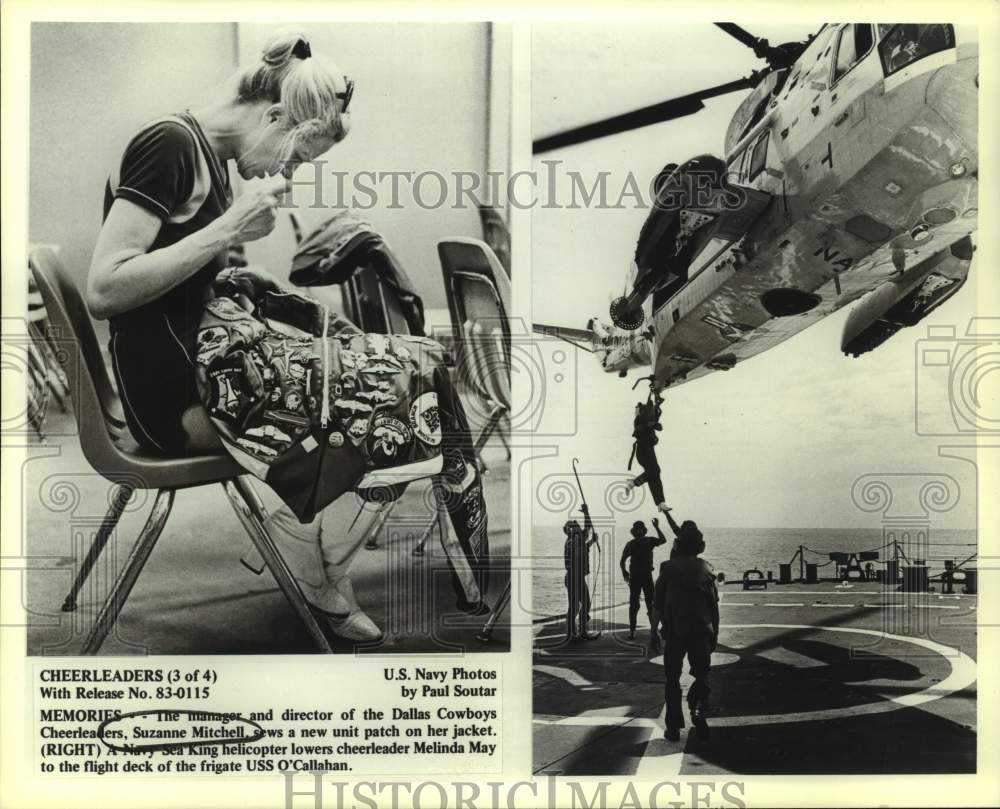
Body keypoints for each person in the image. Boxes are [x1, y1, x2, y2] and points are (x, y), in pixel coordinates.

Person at [86, 28, 489, 643]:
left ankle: (307, 548)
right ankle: (312, 560)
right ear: (274, 116)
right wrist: (226, 232)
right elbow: (105, 288)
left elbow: (176, 271)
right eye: (297, 158)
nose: (290, 174)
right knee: (400, 401)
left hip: (207, 366)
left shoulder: (205, 154)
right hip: (172, 397)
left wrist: (231, 270)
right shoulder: (168, 144)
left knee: (420, 366)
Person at [651, 516, 719, 742]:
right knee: (702, 675)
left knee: (672, 678)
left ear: (678, 545)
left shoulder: (667, 568)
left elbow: (657, 605)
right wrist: (715, 634)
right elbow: (713, 606)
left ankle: (672, 726)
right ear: (700, 546)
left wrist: (653, 632)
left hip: (674, 632)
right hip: (701, 631)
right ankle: (698, 710)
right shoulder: (707, 569)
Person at [619, 517, 668, 639]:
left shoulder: (638, 542)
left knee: (644, 603)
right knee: (643, 603)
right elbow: (663, 540)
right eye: (639, 530)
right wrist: (656, 526)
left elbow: (622, 561)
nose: (640, 532)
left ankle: (639, 631)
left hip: (640, 576)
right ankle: (639, 630)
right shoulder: (647, 541)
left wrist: (624, 571)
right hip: (640, 576)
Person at [625, 396, 670, 513]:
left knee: (654, 474)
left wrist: (658, 404)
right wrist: (654, 424)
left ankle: (660, 503)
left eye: (637, 408)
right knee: (654, 472)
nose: (635, 410)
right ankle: (633, 483)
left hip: (648, 450)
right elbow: (646, 424)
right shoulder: (638, 420)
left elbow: (653, 415)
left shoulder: (645, 418)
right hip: (643, 451)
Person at [564, 504, 599, 641]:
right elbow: (578, 549)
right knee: (574, 606)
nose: (576, 526)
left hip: (577, 578)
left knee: (586, 604)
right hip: (573, 577)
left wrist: (586, 513)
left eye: (576, 524)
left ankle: (582, 632)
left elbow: (588, 527)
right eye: (573, 526)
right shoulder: (572, 541)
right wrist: (588, 542)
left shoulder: (578, 539)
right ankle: (572, 634)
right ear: (569, 531)